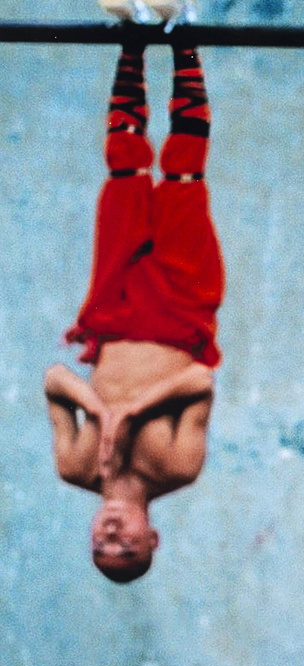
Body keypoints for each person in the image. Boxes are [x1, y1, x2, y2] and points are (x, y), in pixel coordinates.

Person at [44, 41, 222, 584]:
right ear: (152, 538)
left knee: (124, 177)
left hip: (113, 314)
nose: (112, 538)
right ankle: (182, 40)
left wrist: (98, 412)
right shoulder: (176, 468)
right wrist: (134, 409)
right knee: (182, 178)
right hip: (180, 314)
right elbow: (200, 381)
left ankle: (132, 44)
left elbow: (55, 379)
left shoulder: (76, 466)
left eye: (102, 547)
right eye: (126, 548)